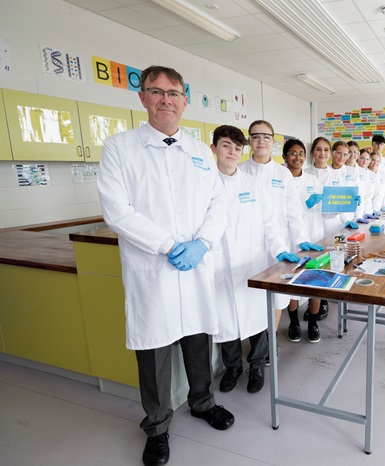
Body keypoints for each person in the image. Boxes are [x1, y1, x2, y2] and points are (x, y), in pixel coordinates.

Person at [97, 65, 235, 466]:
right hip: (151, 269)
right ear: (142, 98)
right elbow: (116, 211)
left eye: (173, 93)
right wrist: (169, 245)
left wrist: (203, 243)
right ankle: (156, 426)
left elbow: (218, 203)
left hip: (193, 267)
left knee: (197, 340)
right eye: (156, 92)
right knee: (153, 349)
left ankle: (203, 402)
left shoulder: (198, 152)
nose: (165, 100)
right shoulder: (119, 148)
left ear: (184, 99)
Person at [211, 125, 299, 395]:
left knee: (258, 314)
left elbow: (269, 223)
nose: (232, 152)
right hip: (218, 264)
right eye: (226, 146)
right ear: (214, 148)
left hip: (252, 260)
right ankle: (232, 366)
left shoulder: (252, 183)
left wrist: (280, 249)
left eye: (237, 148)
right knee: (225, 318)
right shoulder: (204, 182)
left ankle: (257, 364)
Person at [238, 120, 322, 332]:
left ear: (273, 142)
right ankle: (257, 345)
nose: (261, 141)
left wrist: (301, 238)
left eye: (266, 137)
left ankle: (270, 343)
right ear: (249, 140)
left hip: (280, 245)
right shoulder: (239, 171)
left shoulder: (282, 174)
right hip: (248, 244)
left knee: (277, 297)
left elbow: (293, 212)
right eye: (256, 136)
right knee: (250, 296)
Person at [282, 138, 325, 342]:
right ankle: (293, 322)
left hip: (313, 235)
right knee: (291, 281)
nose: (297, 157)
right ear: (284, 156)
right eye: (292, 153)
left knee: (315, 281)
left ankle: (313, 323)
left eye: (301, 153)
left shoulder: (313, 181)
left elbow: (321, 210)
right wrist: (305, 205)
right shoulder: (280, 179)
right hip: (289, 238)